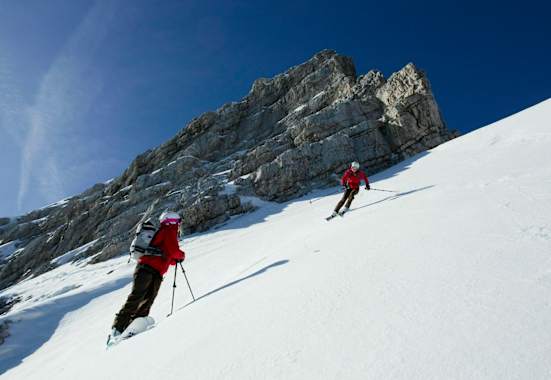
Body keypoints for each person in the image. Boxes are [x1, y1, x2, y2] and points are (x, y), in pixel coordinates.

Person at [109, 211, 185, 341]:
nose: (179, 225)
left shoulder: (166, 232)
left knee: (147, 300)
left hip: (154, 271)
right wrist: (181, 256)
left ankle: (133, 326)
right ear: (172, 221)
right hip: (147, 269)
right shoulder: (169, 230)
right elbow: (174, 251)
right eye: (179, 222)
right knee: (137, 298)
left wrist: (175, 260)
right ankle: (117, 328)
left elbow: (167, 255)